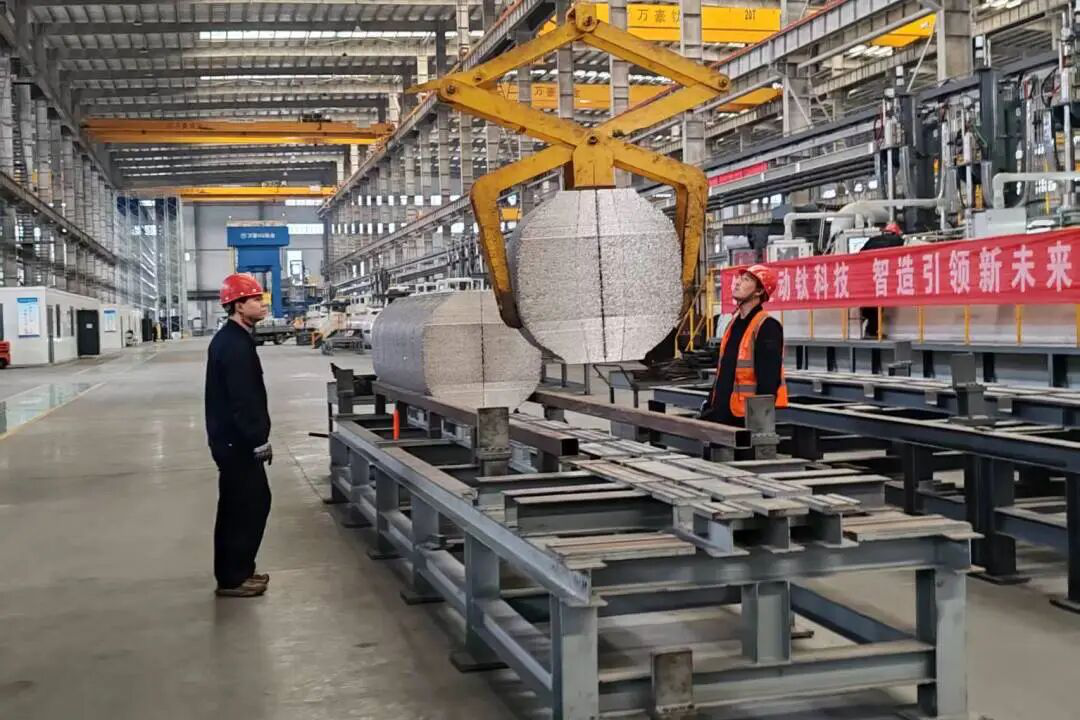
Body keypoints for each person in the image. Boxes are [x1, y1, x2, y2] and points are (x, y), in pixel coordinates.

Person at [205, 273, 274, 598]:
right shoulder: (234, 345)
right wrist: (258, 439)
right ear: (237, 305)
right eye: (256, 299)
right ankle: (233, 578)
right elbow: (243, 399)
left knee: (245, 504)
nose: (262, 304)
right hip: (237, 442)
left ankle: (239, 570)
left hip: (232, 440)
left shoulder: (234, 339)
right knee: (245, 506)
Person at [699, 264, 788, 426]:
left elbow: (768, 381)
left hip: (743, 417)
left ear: (759, 291)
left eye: (746, 280)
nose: (738, 282)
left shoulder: (767, 326)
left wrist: (759, 424)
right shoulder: (733, 323)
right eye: (739, 278)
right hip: (721, 411)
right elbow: (724, 370)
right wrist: (710, 403)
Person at [861, 222, 905, 338]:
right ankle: (872, 331)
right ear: (896, 233)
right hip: (883, 276)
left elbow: (860, 254)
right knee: (879, 304)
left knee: (870, 303)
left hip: (867, 276)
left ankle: (868, 328)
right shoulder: (898, 241)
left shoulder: (872, 240)